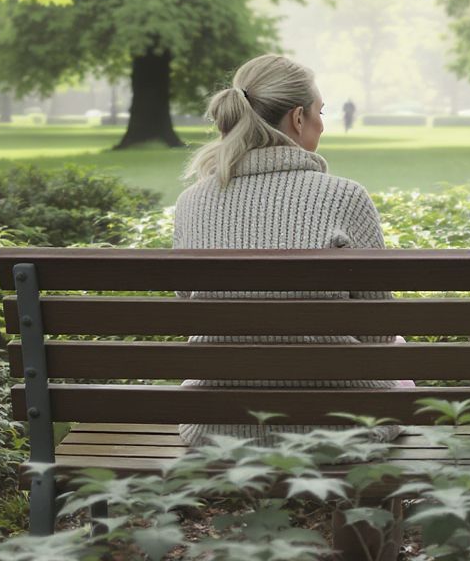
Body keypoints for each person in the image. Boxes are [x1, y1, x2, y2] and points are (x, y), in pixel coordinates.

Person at [173, 54, 403, 448]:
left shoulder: (192, 202)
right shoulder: (344, 197)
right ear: (298, 118)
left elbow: (191, 307)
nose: (322, 122)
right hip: (338, 430)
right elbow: (377, 334)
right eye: (320, 111)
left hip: (219, 430)